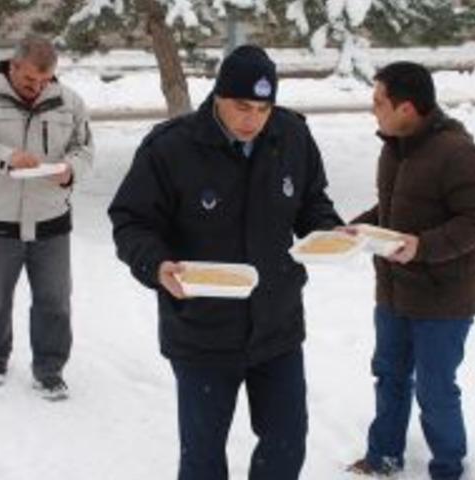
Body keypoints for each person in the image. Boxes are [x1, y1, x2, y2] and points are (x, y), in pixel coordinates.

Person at [108, 45, 342, 480]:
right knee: (203, 456)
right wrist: (157, 266)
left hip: (278, 325)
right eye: (242, 106)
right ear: (218, 96)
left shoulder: (291, 135)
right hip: (202, 329)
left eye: (263, 108)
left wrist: (331, 234)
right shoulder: (171, 148)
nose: (253, 119)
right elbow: (131, 222)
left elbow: (312, 203)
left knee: (287, 442)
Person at [345, 62, 475, 480]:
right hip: (394, 292)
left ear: (407, 108)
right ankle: (384, 459)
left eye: (379, 102)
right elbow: (393, 209)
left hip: (443, 298)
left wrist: (423, 247)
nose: (373, 109)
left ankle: (447, 469)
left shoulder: (458, 154)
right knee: (390, 376)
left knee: (435, 390)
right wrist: (356, 228)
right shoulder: (394, 147)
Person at [0, 34, 94, 401]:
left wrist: (71, 169)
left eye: (45, 81)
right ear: (13, 66)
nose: (38, 88)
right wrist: (6, 156)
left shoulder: (69, 101)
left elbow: (85, 148)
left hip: (50, 218)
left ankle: (50, 369)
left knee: (55, 301)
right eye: (30, 80)